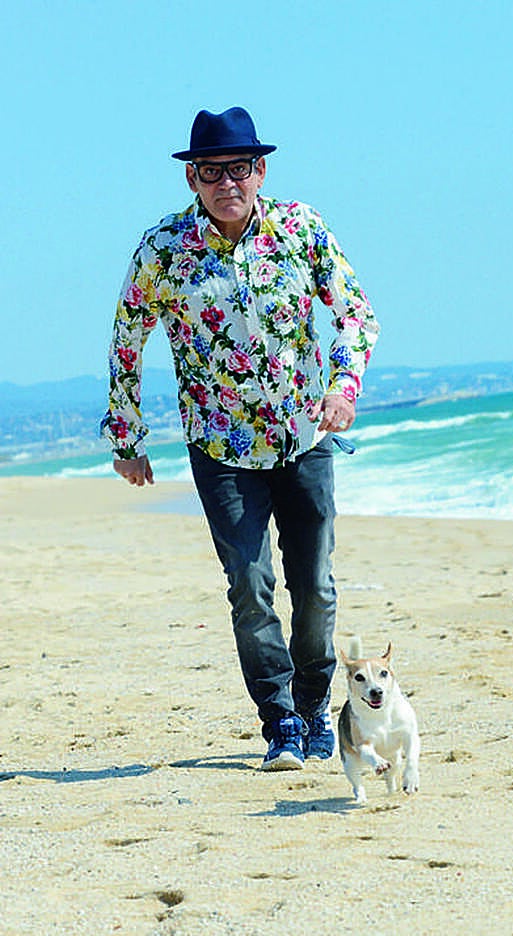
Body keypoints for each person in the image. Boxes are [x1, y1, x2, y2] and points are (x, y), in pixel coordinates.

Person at [101, 107, 379, 771]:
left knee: (315, 587)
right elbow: (126, 340)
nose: (227, 182)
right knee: (250, 588)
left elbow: (355, 313)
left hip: (303, 436)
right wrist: (127, 436)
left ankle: (314, 708)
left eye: (240, 168)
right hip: (221, 448)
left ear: (261, 171)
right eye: (212, 171)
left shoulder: (300, 228)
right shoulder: (163, 250)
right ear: (191, 178)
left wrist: (343, 388)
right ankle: (280, 722)